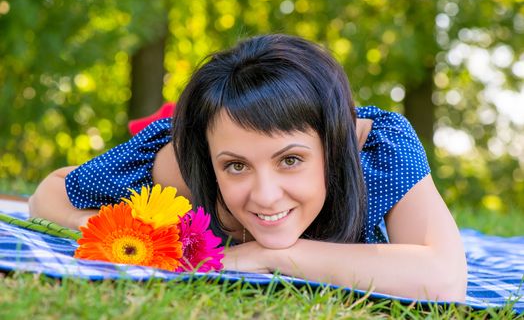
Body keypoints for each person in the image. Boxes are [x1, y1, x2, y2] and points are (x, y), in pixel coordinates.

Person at [29, 34, 467, 301]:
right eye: (237, 167)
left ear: (334, 146)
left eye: (290, 160)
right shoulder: (184, 162)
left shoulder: (379, 152)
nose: (265, 194)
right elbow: (48, 196)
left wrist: (270, 256)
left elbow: (444, 279)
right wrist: (136, 238)